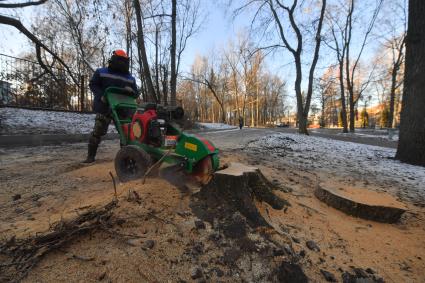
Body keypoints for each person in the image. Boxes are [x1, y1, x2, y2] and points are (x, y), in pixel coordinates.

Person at [83, 49, 138, 163]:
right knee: (98, 131)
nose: (122, 63)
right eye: (120, 60)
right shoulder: (101, 72)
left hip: (123, 109)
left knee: (126, 133)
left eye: (124, 61)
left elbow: (136, 93)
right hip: (105, 107)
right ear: (114, 59)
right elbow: (93, 84)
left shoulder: (130, 78)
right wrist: (101, 95)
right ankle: (90, 157)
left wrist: (131, 91)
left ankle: (126, 157)